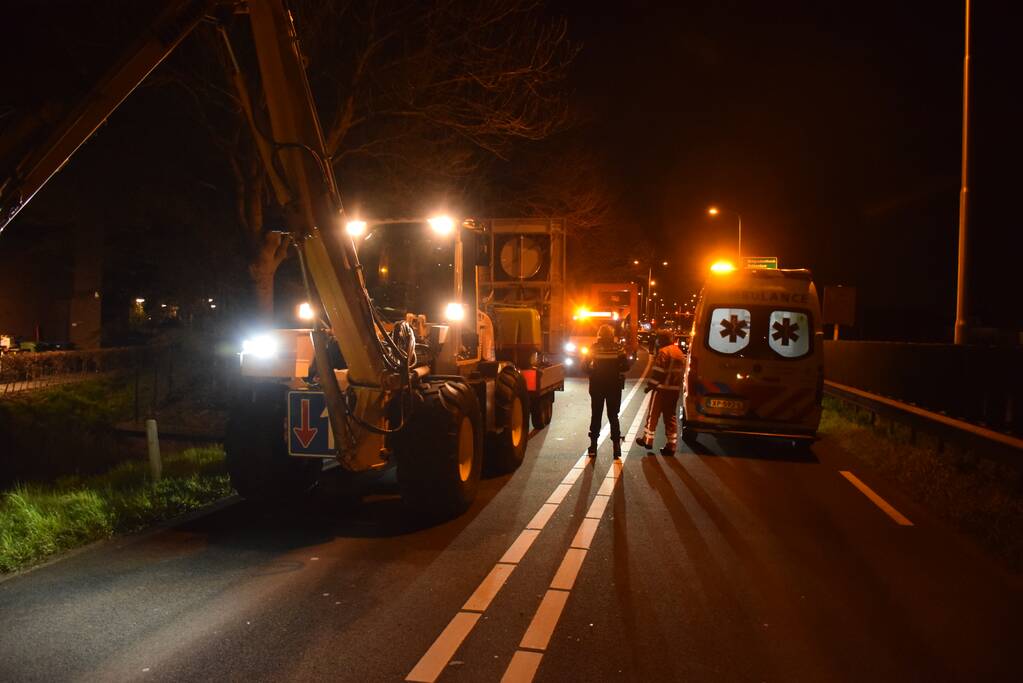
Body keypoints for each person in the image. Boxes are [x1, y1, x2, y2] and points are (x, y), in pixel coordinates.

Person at [584, 324, 630, 458]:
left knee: (596, 415)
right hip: (614, 386)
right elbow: (626, 366)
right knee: (613, 416)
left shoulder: (594, 348)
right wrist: (616, 370)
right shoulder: (618, 348)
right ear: (612, 335)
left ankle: (593, 446)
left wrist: (593, 372)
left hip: (597, 385)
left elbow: (584, 365)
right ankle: (616, 447)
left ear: (600, 334)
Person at [637, 330, 686, 455]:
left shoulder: (664, 352)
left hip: (661, 389)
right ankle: (671, 445)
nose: (657, 341)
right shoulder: (679, 353)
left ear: (663, 339)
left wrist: (650, 386)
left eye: (658, 339)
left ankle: (647, 440)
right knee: (670, 417)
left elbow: (658, 372)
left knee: (653, 414)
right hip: (674, 391)